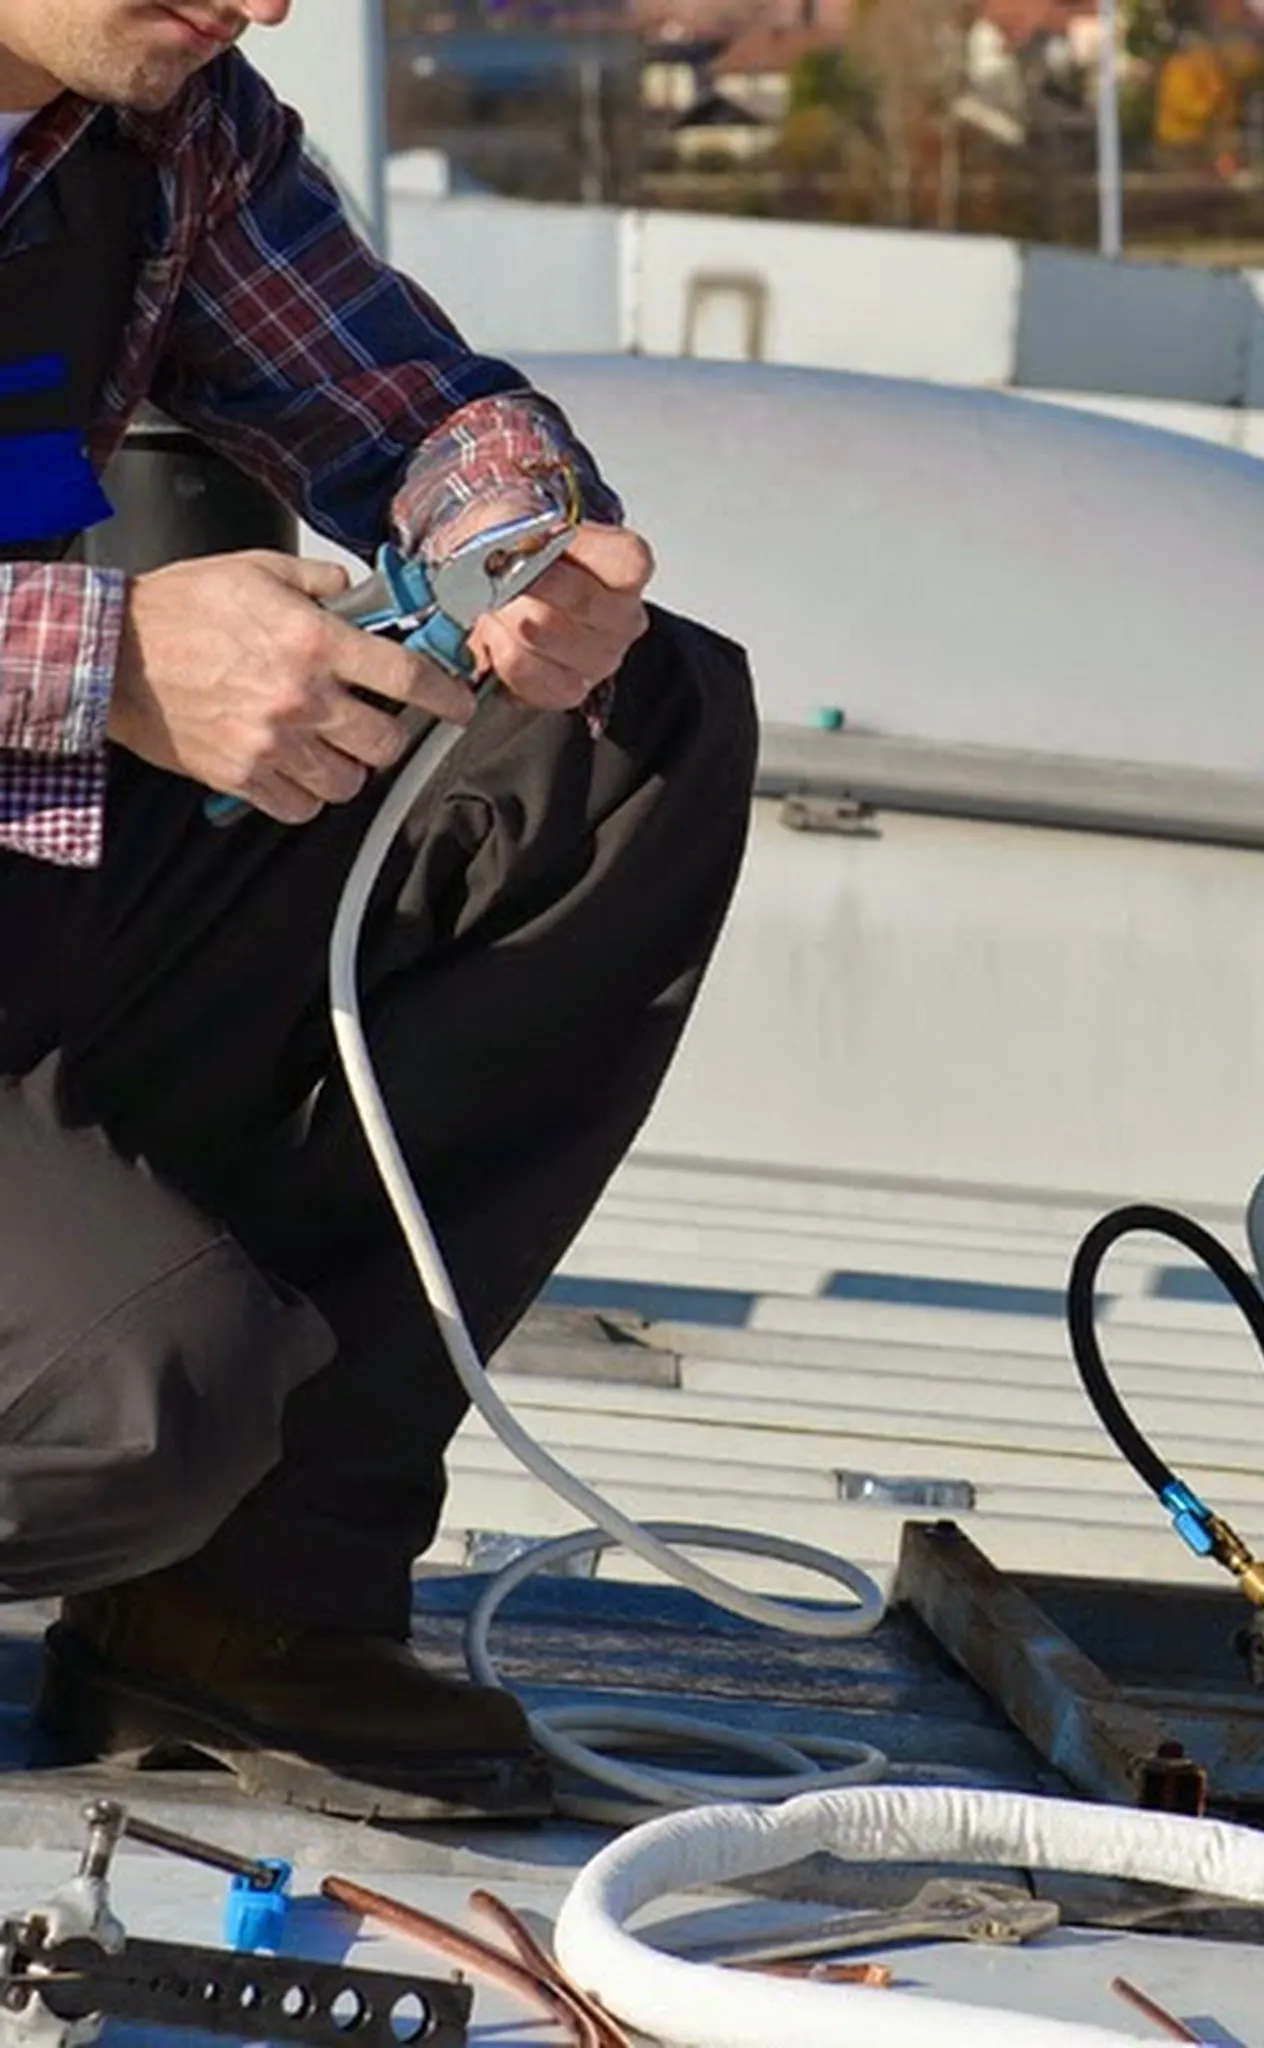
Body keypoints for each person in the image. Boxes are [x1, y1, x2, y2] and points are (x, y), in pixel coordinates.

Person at [0, 0, 758, 1821]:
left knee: (617, 730)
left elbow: (414, 406)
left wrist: (517, 549)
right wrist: (105, 660)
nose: (268, 0)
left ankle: (239, 1610)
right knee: (136, 1406)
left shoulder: (171, 124)